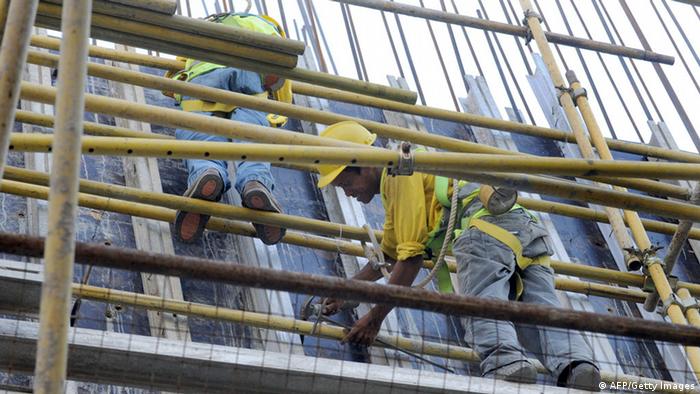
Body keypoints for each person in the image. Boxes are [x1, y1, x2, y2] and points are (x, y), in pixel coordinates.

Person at [316, 121, 601, 390]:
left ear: (362, 166)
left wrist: (375, 318)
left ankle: (507, 366)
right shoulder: (404, 172)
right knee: (537, 312)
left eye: (344, 185)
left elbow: (411, 258)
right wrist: (348, 290)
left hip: (484, 232)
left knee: (482, 306)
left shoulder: (398, 172)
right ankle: (576, 367)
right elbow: (391, 253)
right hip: (526, 231)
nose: (348, 194)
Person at [164, 13, 291, 245]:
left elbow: (173, 76)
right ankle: (255, 181)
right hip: (252, 74)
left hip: (202, 77)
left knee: (200, 136)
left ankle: (207, 171)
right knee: (253, 137)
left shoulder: (201, 26)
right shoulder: (265, 27)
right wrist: (274, 120)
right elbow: (283, 88)